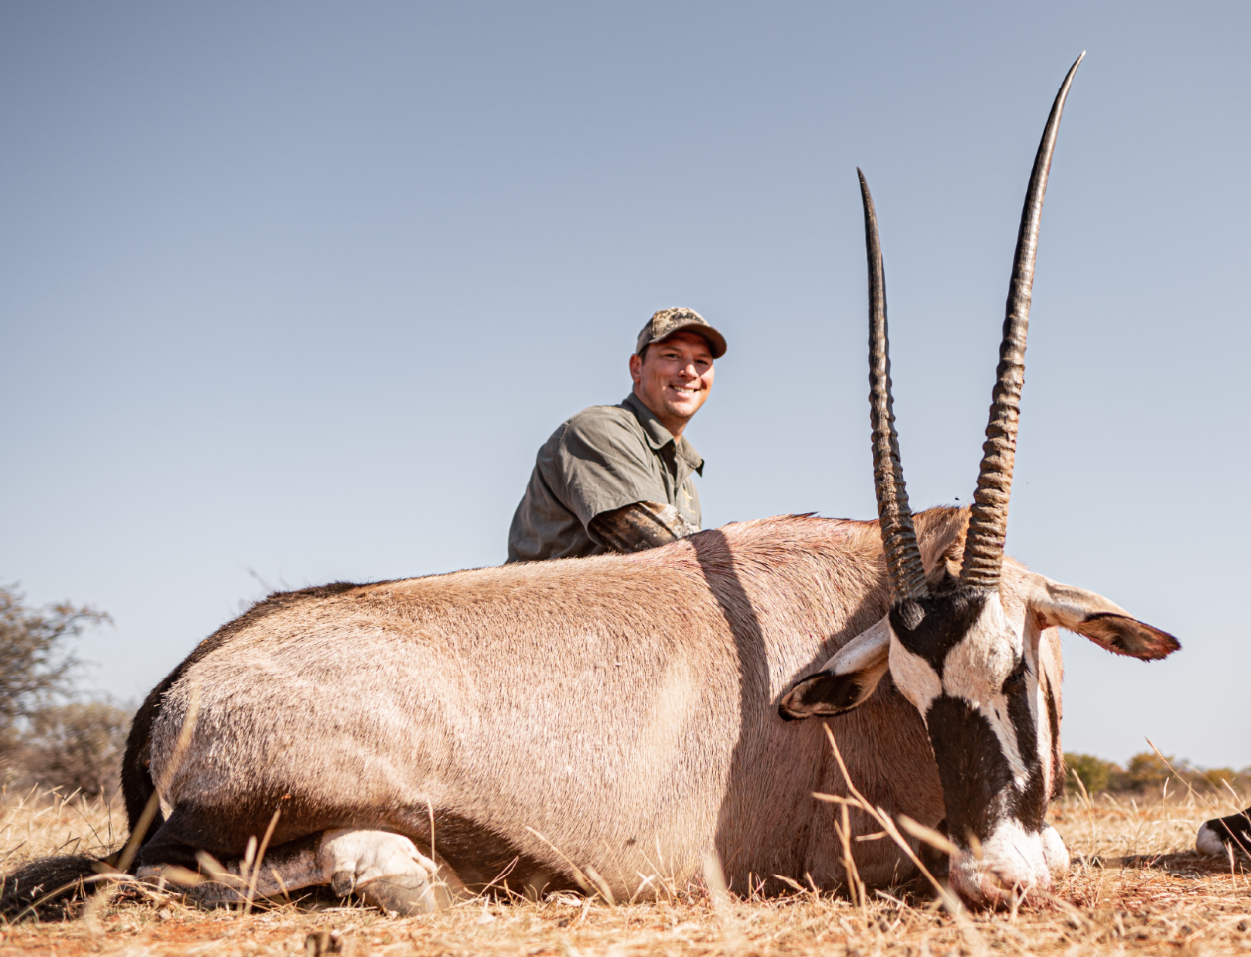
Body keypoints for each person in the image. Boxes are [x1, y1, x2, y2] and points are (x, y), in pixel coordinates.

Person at [507, 307, 726, 562]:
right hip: (550, 601)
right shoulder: (599, 432)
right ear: (636, 368)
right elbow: (670, 554)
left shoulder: (684, 477)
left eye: (702, 361)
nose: (689, 371)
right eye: (672, 355)